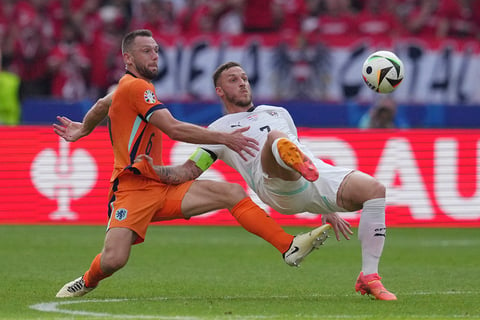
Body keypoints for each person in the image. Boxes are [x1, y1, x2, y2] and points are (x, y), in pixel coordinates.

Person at [53, 30, 331, 298]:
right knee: (114, 260)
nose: (154, 56)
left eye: (156, 51)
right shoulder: (136, 86)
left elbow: (103, 102)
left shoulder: (132, 88)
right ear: (127, 58)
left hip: (159, 185)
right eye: (146, 51)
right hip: (131, 189)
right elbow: (173, 128)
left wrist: (83, 129)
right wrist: (223, 137)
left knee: (231, 193)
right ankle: (86, 281)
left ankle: (288, 246)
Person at [137, 61, 397, 300]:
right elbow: (188, 172)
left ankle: (369, 276)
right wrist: (154, 171)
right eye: (233, 79)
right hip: (274, 185)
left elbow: (298, 146)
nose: (242, 82)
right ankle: (293, 161)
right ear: (219, 90)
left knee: (375, 189)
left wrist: (326, 210)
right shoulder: (217, 130)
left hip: (313, 175)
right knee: (275, 139)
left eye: (244, 78)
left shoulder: (278, 112)